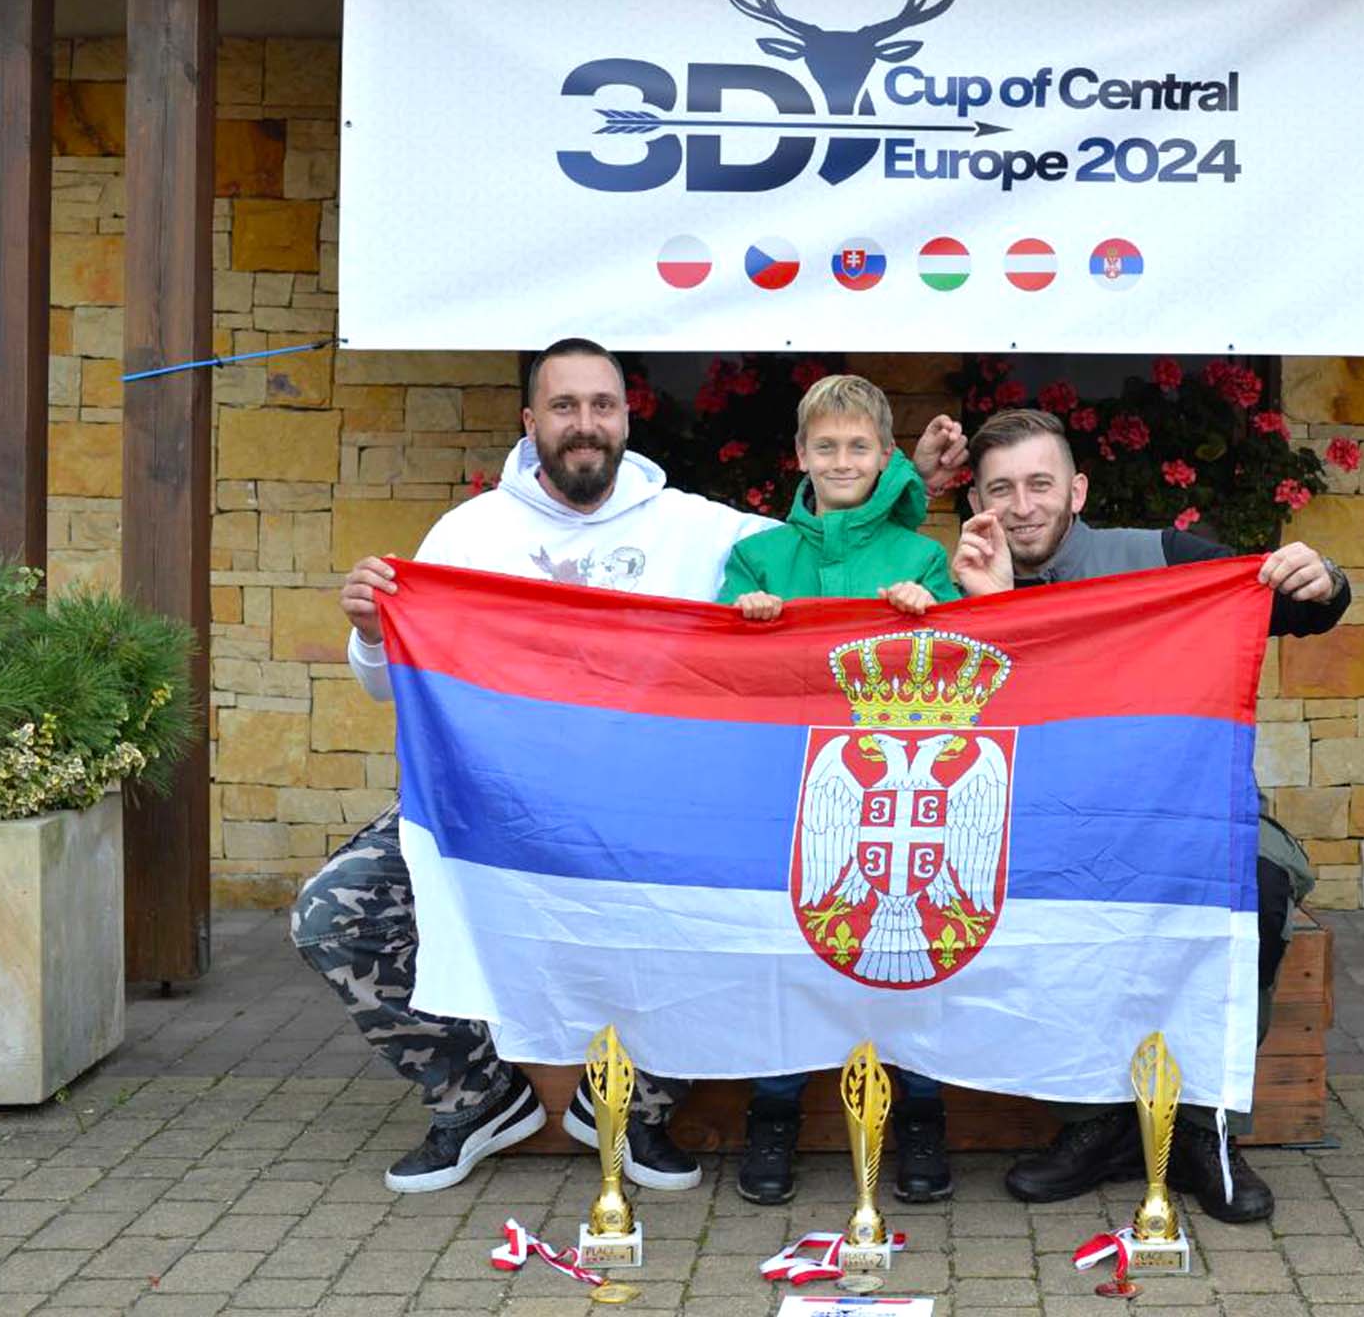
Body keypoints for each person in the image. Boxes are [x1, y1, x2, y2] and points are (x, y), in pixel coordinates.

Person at [292, 338, 969, 1195]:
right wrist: (370, 632)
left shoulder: (698, 527)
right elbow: (391, 684)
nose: (585, 424)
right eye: (564, 406)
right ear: (530, 421)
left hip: (644, 814)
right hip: (484, 804)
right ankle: (475, 1097)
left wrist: (911, 477)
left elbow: (837, 543)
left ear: (625, 418)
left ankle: (637, 1105)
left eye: (602, 406)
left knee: (740, 895)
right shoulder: (466, 535)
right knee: (331, 915)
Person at [947, 407, 1346, 1223]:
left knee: (1260, 886)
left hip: (1183, 818)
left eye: (1040, 484)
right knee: (1032, 893)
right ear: (977, 501)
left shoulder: (1162, 558)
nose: (1022, 505)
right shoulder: (961, 583)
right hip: (1046, 827)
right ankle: (1095, 1123)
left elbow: (1294, 606)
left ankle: (1203, 1129)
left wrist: (1323, 578)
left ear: (1077, 490)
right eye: (1001, 489)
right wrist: (989, 612)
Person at [718, 373, 960, 1207]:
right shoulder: (759, 557)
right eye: (826, 446)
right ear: (800, 455)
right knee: (788, 954)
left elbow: (964, 656)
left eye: (859, 446)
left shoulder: (921, 557)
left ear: (887, 455)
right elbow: (717, 666)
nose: (843, 460)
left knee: (908, 951)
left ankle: (921, 1112)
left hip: (896, 793)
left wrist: (931, 610)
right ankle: (774, 1111)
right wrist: (745, 617)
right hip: (788, 793)